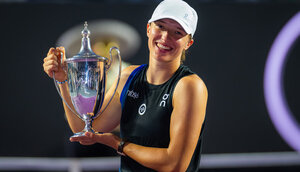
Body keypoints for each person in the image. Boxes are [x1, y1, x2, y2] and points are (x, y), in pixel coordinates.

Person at [43, 0, 208, 171]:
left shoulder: (189, 86)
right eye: (160, 26)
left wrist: (118, 144)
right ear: (148, 29)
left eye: (178, 32)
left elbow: (175, 165)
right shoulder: (128, 76)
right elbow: (84, 128)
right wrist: (63, 79)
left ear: (188, 43)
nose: (165, 37)